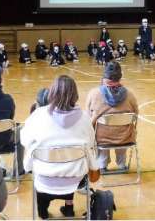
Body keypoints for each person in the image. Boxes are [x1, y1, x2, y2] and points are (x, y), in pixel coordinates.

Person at [20, 75, 99, 220]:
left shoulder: (38, 115)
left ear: (52, 93)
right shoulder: (84, 118)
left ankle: (43, 212)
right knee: (69, 165)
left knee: (48, 169)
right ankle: (69, 207)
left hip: (44, 177)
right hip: (75, 179)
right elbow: (91, 142)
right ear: (75, 95)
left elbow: (24, 140)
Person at [86, 61, 139, 171]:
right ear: (120, 76)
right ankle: (122, 164)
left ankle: (102, 164)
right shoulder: (129, 94)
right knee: (123, 128)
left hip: (102, 138)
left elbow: (88, 116)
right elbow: (136, 114)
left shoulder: (94, 93)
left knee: (98, 129)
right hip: (125, 137)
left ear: (104, 76)